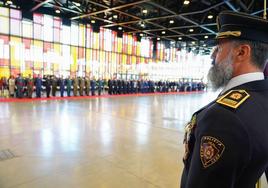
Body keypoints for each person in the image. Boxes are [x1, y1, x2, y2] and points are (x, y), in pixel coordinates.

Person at [181, 11, 268, 188]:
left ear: (242, 52)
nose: (213, 56)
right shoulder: (263, 97)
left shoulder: (223, 117)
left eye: (219, 48)